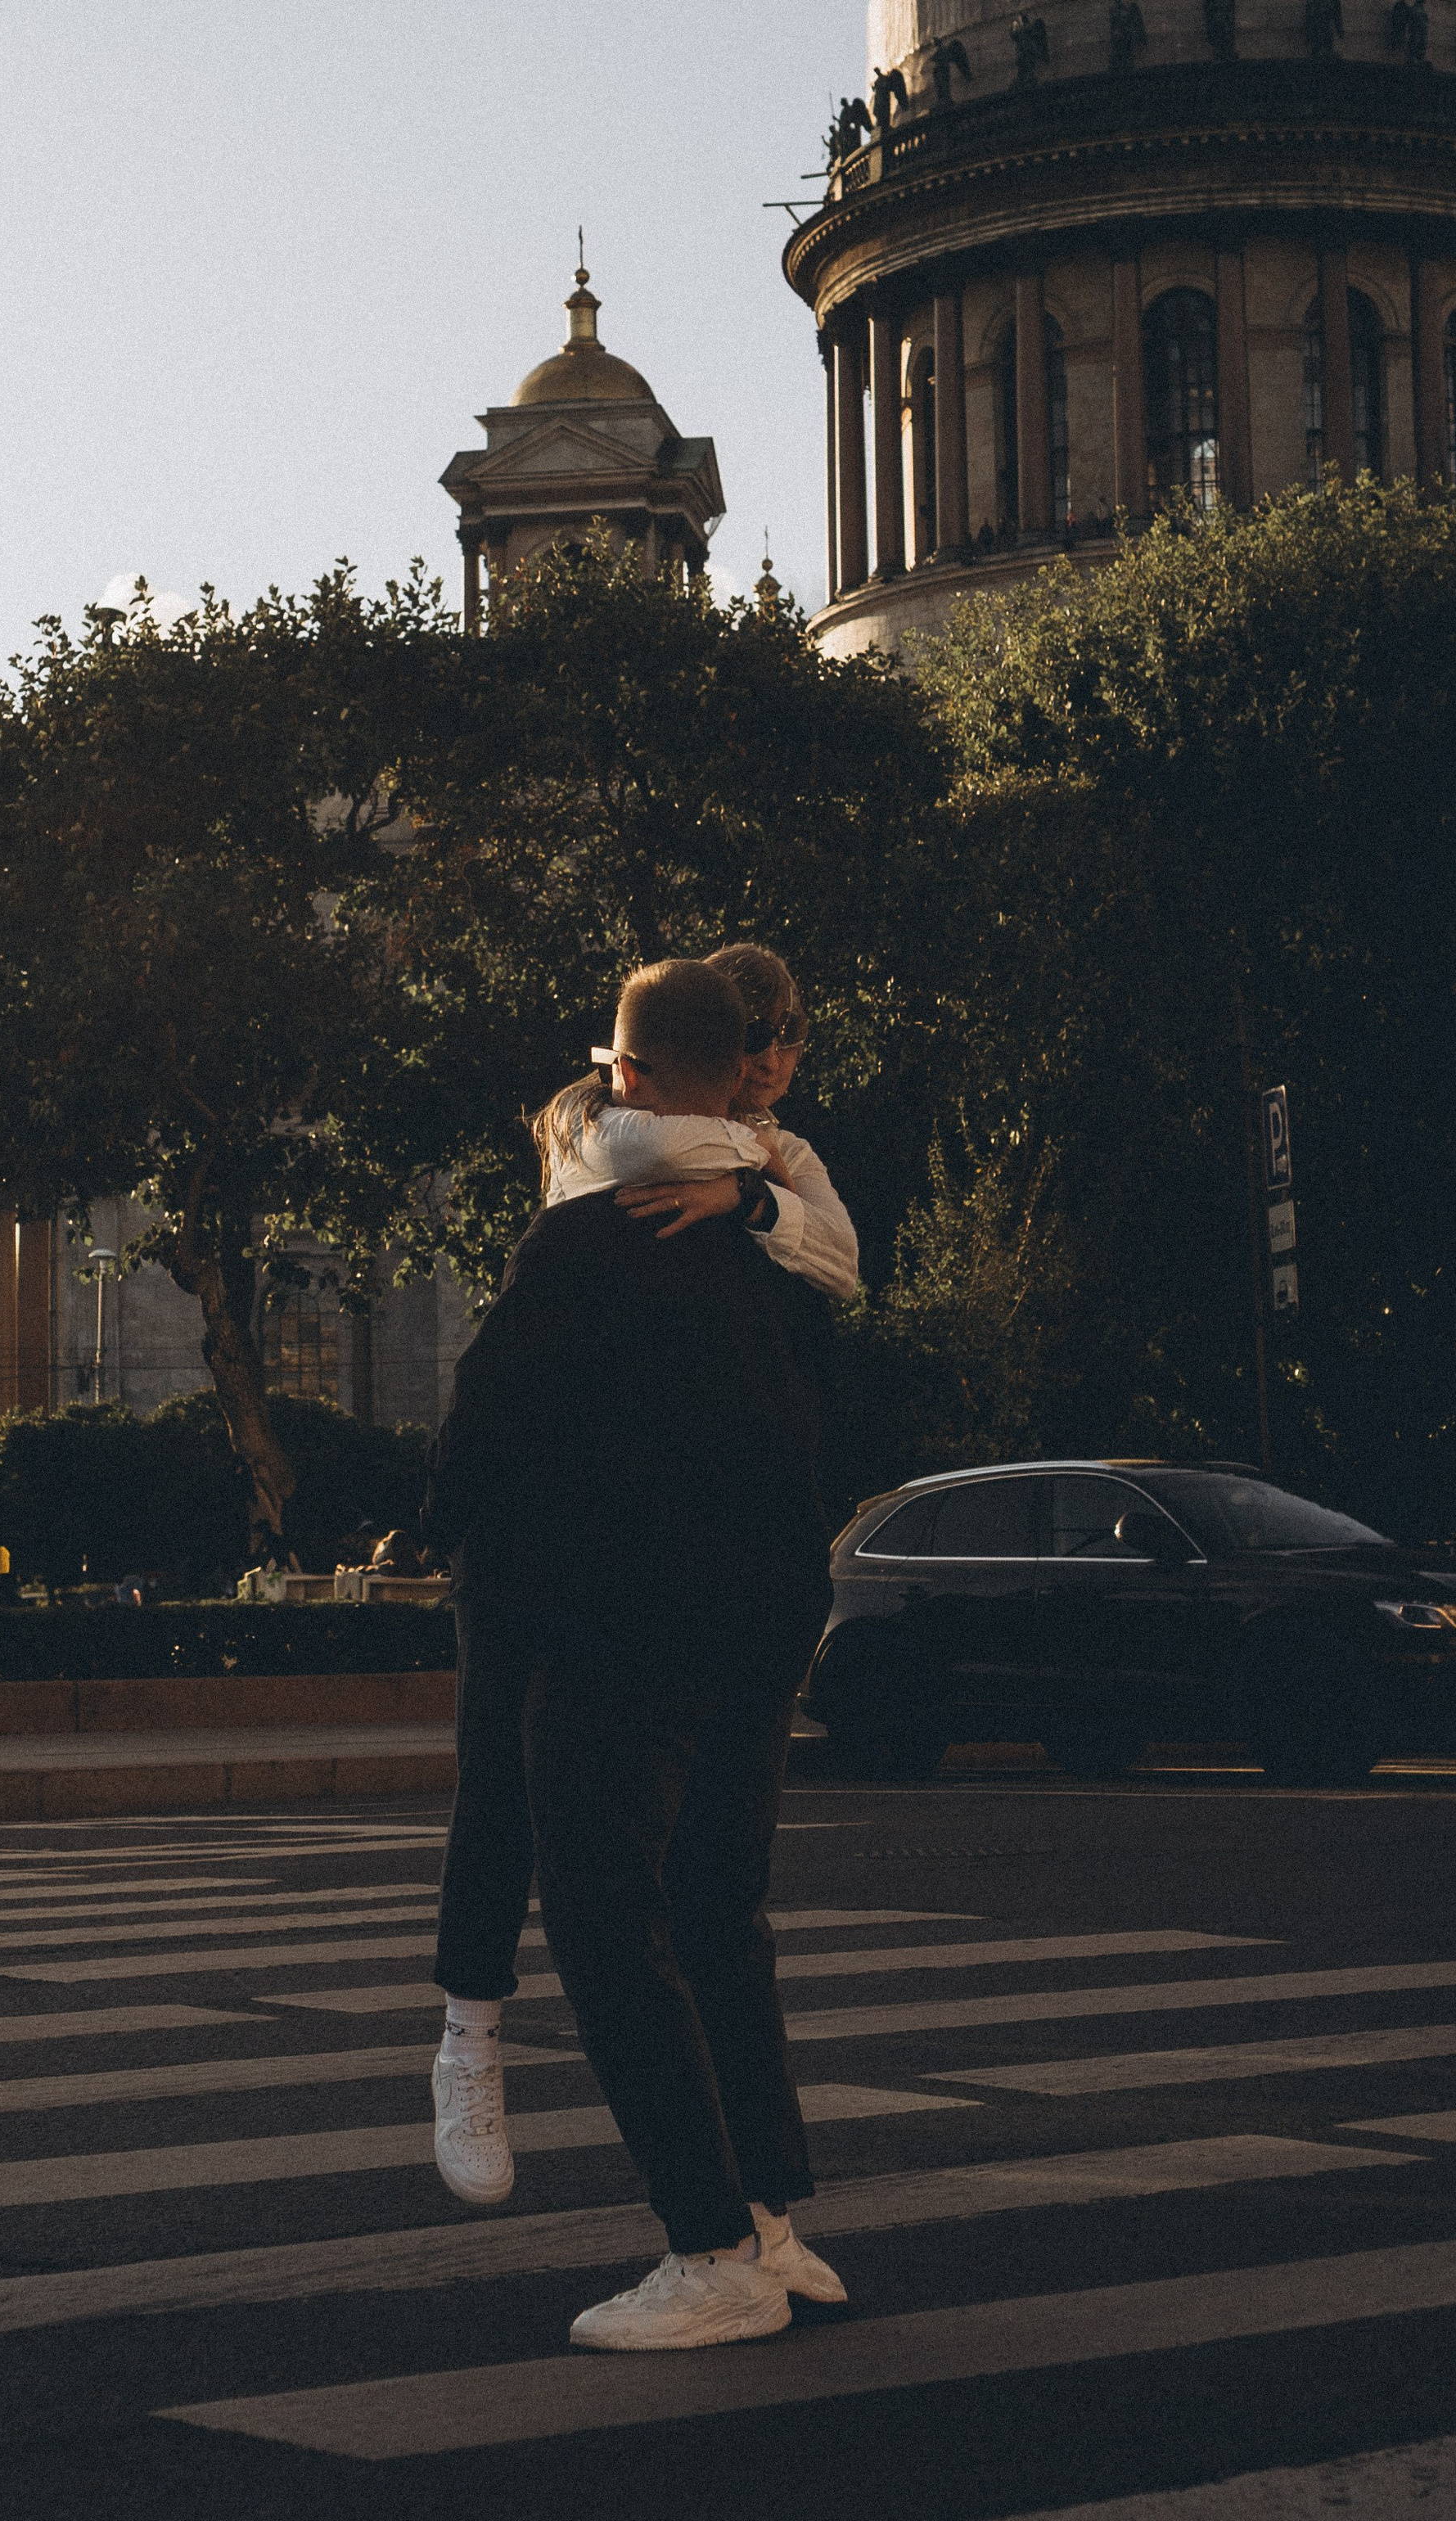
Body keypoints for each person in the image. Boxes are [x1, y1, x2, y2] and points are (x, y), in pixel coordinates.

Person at [423, 958, 839, 2351]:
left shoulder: (590, 1230)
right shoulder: (758, 1231)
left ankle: (710, 2249)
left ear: (632, 1074)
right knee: (722, 1910)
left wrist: (443, 1531)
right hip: (771, 1606)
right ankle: (771, 2219)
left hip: (631, 1617)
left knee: (605, 1913)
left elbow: (478, 1427)